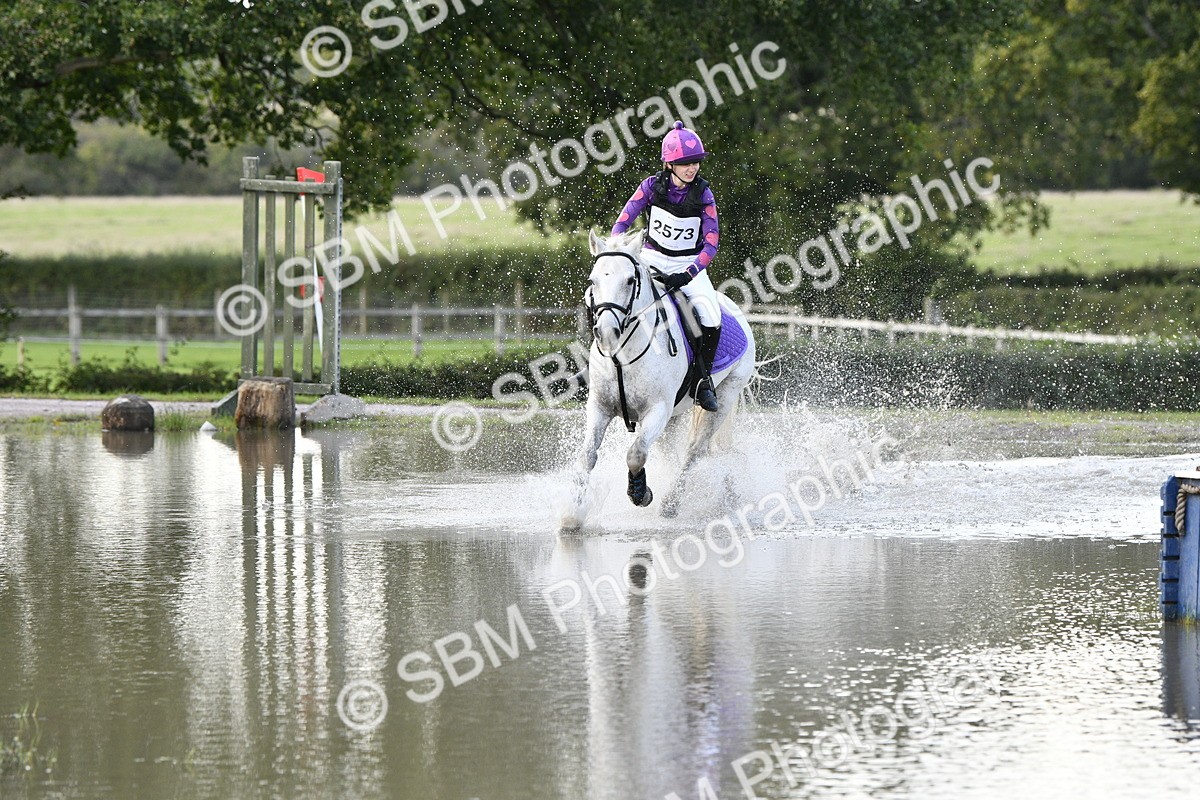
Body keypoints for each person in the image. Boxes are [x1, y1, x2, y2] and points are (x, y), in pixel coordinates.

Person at [610, 121, 722, 412]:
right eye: (685, 163)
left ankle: (702, 381)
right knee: (612, 295)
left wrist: (687, 274)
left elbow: (711, 245)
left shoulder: (704, 195)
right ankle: (601, 367)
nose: (692, 168)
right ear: (669, 164)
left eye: (695, 162)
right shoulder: (650, 186)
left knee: (710, 317)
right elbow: (622, 222)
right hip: (652, 258)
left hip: (688, 265)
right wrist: (617, 249)